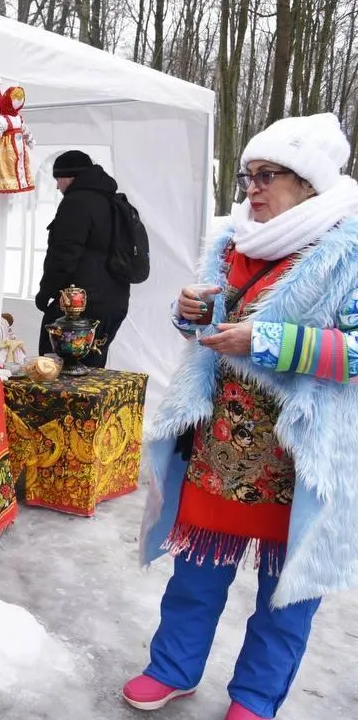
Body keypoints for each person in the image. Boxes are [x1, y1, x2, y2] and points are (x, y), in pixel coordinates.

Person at [125, 113, 358, 720]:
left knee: (286, 597)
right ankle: (171, 669)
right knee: (195, 577)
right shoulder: (232, 243)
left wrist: (270, 341)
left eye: (268, 175)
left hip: (300, 459)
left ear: (307, 183)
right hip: (220, 450)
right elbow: (210, 330)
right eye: (247, 174)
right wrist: (190, 315)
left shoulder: (348, 248)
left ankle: (255, 698)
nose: (252, 187)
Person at [35, 150, 130, 365]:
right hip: (113, 303)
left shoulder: (76, 203)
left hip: (80, 307)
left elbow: (63, 256)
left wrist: (45, 293)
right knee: (91, 370)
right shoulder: (111, 200)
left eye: (57, 179)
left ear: (69, 176)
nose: (57, 186)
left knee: (54, 367)